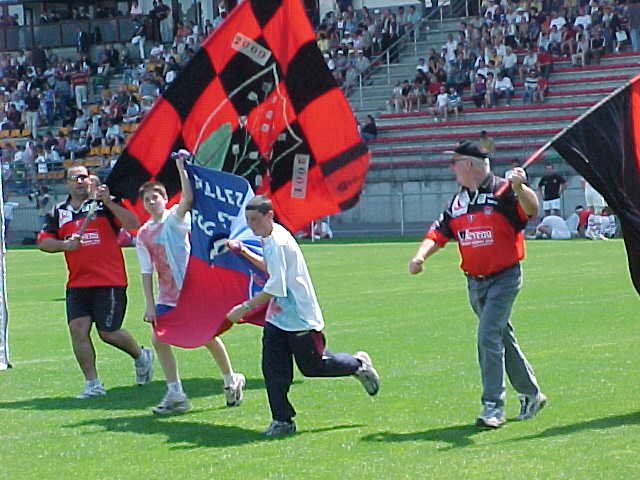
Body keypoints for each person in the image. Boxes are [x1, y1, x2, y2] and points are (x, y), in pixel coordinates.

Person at [408, 141, 546, 429]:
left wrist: (520, 186)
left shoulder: (504, 191)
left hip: (504, 278)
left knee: (487, 337)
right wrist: (420, 256)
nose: (451, 168)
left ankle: (493, 406)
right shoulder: (458, 202)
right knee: (500, 338)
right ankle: (532, 394)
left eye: (454, 162)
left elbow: (531, 210)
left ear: (469, 164)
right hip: (475, 283)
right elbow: (438, 233)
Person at [226, 195, 380, 437]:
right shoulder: (268, 237)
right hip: (277, 317)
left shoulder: (277, 241)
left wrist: (243, 308)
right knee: (273, 369)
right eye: (248, 220)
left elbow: (276, 286)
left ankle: (357, 364)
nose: (251, 225)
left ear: (269, 215)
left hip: (298, 316)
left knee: (313, 366)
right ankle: (282, 420)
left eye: (255, 219)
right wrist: (244, 252)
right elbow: (272, 270)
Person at [136, 154, 245, 414]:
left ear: (164, 199)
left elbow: (188, 198)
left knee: (207, 336)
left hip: (193, 289)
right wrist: (149, 304)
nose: (152, 202)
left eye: (156, 197)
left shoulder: (175, 217)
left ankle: (231, 379)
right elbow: (146, 271)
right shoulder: (143, 234)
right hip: (167, 295)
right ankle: (175, 392)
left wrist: (181, 168)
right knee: (158, 339)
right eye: (147, 199)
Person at [37, 165, 154, 398]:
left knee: (108, 332)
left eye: (84, 177)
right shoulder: (59, 212)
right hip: (78, 283)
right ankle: (92, 383)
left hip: (109, 280)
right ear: (67, 183)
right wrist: (64, 245)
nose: (80, 181)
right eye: (75, 178)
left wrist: (109, 201)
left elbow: (133, 224)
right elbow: (43, 242)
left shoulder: (105, 205)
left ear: (91, 180)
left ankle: (141, 356)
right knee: (77, 330)